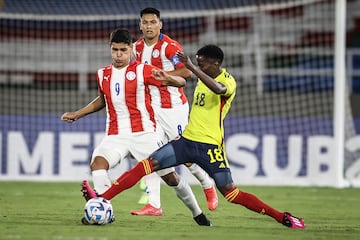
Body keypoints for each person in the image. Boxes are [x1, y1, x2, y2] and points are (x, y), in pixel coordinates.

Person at [82, 44, 306, 228]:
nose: (198, 66)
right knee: (145, 166)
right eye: (197, 62)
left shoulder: (228, 81)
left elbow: (218, 90)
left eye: (202, 63)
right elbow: (185, 81)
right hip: (186, 142)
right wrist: (167, 78)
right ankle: (101, 200)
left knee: (231, 193)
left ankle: (282, 217)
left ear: (215, 64)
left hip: (210, 148)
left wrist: (190, 66)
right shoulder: (202, 77)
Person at [61, 28, 211, 226]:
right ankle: (105, 210)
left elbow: (182, 81)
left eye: (123, 50)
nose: (119, 54)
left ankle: (198, 213)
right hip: (115, 135)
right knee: (97, 164)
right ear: (110, 49)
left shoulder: (143, 70)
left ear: (131, 49)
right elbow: (102, 100)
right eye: (115, 50)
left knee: (171, 178)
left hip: (145, 134)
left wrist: (169, 78)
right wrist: (77, 114)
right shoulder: (102, 74)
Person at [131, 7, 218, 216]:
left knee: (186, 156)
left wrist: (162, 75)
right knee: (151, 155)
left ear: (160, 24)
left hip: (173, 109)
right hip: (150, 110)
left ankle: (207, 183)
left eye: (153, 22)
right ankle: (154, 204)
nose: (149, 26)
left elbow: (187, 71)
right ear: (140, 25)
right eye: (145, 22)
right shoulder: (135, 48)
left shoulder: (170, 47)